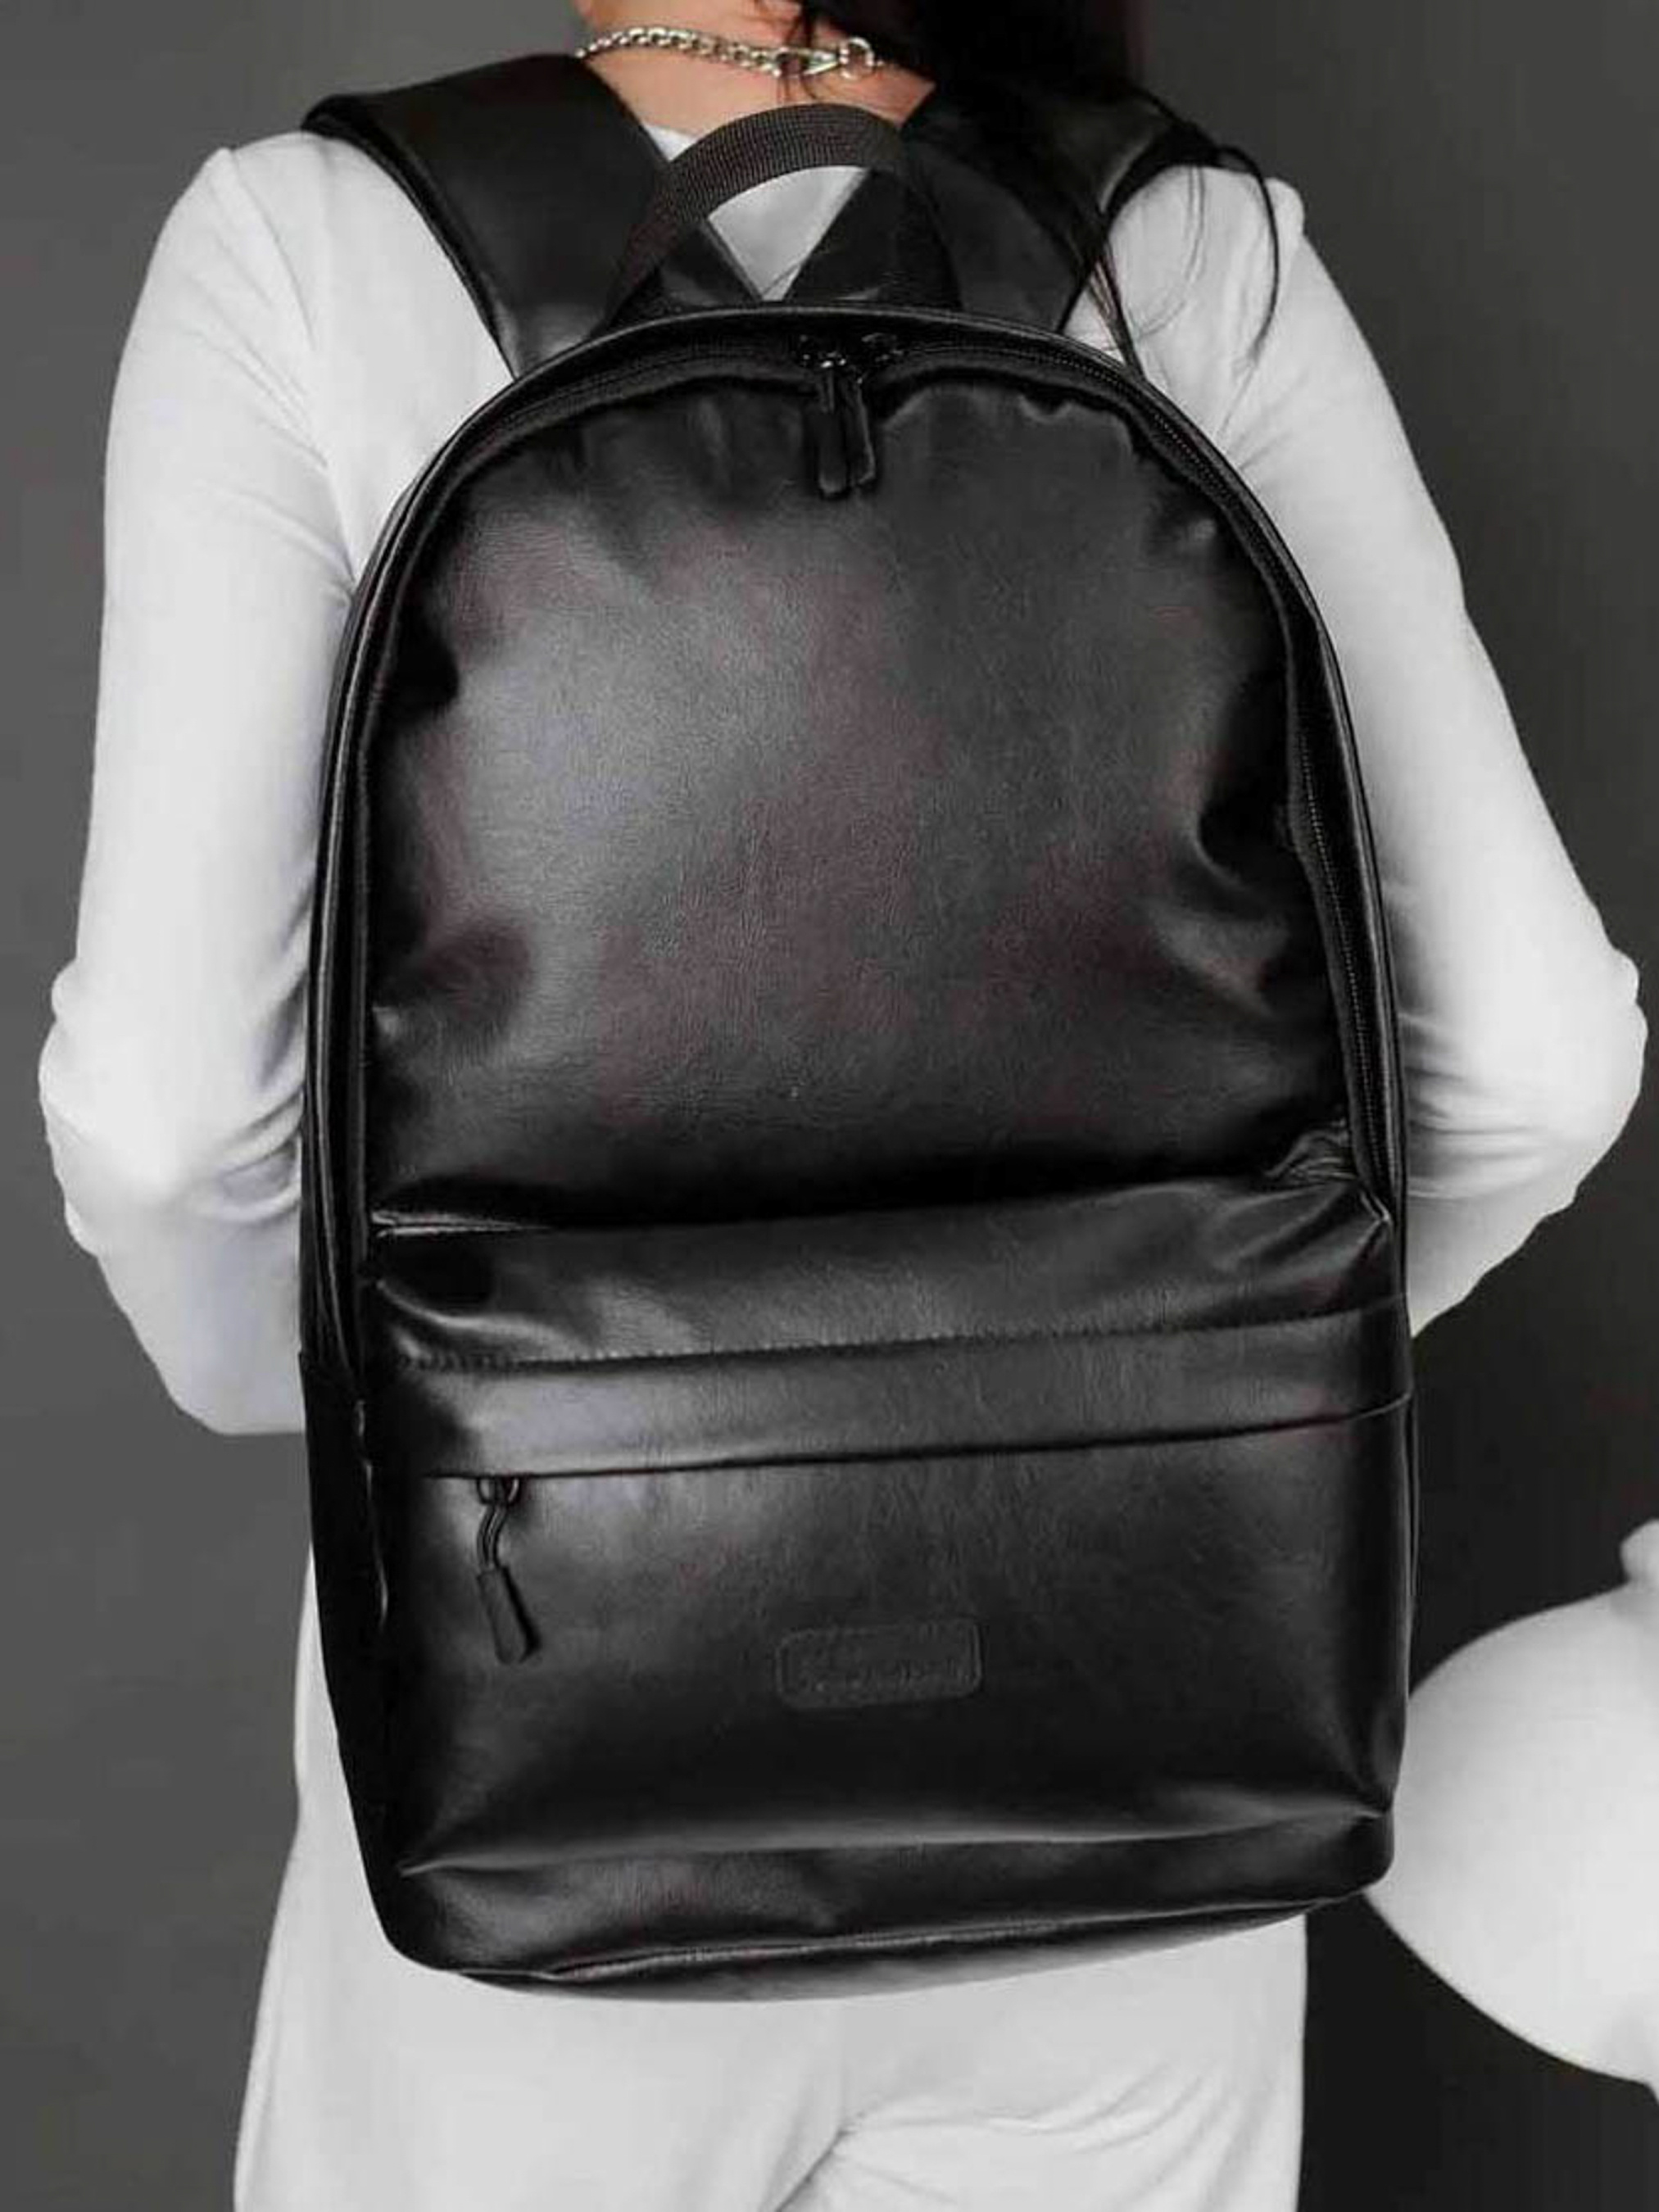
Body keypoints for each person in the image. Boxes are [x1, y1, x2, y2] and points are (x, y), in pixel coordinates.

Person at [34, 4, 1648, 2207]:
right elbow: (1542, 1055)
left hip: (558, 1743)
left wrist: (387, 1412)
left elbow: (168, 1121)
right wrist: (1215, 1393)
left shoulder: (313, 246)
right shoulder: (1190, 245)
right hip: (1144, 1760)